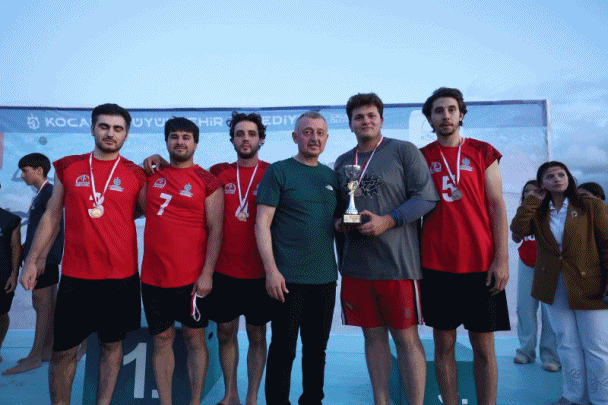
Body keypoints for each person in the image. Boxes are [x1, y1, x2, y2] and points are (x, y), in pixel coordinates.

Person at [20, 103, 146, 405]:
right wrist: (32, 261)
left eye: (117, 129)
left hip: (120, 278)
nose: (110, 133)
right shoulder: (68, 167)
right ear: (93, 129)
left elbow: (142, 210)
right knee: (63, 352)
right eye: (104, 126)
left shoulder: (136, 173)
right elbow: (52, 217)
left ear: (126, 135)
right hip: (77, 278)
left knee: (111, 347)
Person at [333, 93, 439, 405]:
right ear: (350, 124)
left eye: (371, 116)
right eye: (358, 117)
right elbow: (340, 210)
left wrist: (388, 221)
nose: (365, 121)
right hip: (357, 267)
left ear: (381, 119)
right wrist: (341, 223)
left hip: (398, 265)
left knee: (406, 338)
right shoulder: (342, 162)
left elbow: (426, 198)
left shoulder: (403, 151)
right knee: (372, 337)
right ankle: (382, 401)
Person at [419, 87, 510, 405]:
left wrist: (502, 259)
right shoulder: (421, 157)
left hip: (481, 264)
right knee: (443, 346)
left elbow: (497, 205)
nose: (445, 116)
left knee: (483, 348)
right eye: (438, 111)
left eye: (451, 109)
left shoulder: (483, 152)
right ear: (430, 119)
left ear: (461, 115)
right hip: (436, 264)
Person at [255, 111, 340, 405]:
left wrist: (347, 224)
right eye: (307, 132)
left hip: (325, 279)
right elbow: (262, 224)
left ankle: (312, 400)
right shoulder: (279, 172)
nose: (314, 138)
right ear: (295, 137)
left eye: (320, 133)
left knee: (317, 350)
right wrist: (271, 271)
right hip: (286, 280)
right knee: (283, 349)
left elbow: (335, 222)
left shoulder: (332, 177)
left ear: (326, 138)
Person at [140, 117, 223, 405]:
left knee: (194, 340)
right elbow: (136, 208)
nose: (180, 142)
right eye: (174, 136)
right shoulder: (150, 176)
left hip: (191, 279)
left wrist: (207, 274)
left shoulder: (208, 181)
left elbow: (216, 231)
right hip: (153, 277)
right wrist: (153, 163)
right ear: (166, 142)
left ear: (195, 143)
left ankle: (195, 402)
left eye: (186, 137)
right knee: (161, 340)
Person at [511, 161, 608, 405]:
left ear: (569, 178)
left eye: (561, 174)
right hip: (553, 284)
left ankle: (601, 399)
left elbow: (607, 244)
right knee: (566, 343)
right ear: (542, 183)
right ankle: (574, 397)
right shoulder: (538, 211)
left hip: (589, 285)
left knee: (595, 345)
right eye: (550, 176)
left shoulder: (590, 206)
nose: (557, 179)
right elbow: (518, 229)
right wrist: (532, 200)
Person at [207, 112, 274, 405]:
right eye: (239, 134)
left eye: (251, 134)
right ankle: (230, 394)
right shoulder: (217, 173)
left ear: (261, 139)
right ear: (232, 139)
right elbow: (182, 172)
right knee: (225, 333)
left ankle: (252, 397)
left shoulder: (273, 173)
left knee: (257, 335)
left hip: (260, 273)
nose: (245, 139)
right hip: (225, 271)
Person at [3, 154, 67, 376]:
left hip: (45, 261)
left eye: (25, 170)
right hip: (44, 258)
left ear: (39, 170)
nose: (22, 175)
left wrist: (40, 258)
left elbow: (55, 226)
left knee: (42, 305)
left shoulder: (49, 192)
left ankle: (34, 357)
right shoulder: (43, 193)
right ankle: (46, 351)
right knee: (47, 305)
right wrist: (26, 247)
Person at [511, 180, 560, 372]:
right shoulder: (523, 213)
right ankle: (525, 351)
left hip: (549, 266)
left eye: (535, 191)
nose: (530, 194)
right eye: (526, 191)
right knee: (525, 309)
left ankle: (551, 356)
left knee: (550, 313)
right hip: (526, 263)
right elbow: (516, 236)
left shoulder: (552, 213)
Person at [0, 183, 22, 365]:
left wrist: (14, 275)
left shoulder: (11, 219)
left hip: (3, 275)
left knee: (1, 314)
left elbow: (16, 248)